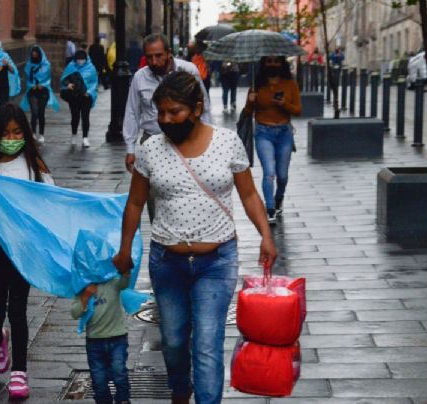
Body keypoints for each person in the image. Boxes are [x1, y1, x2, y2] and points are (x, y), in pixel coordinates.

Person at [113, 71, 277, 404]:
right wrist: (125, 248)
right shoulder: (151, 149)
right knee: (173, 340)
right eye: (161, 112)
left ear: (197, 108)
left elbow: (248, 195)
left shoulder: (227, 142)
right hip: (166, 261)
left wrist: (266, 235)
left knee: (206, 342)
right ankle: (179, 388)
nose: (166, 120)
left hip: (216, 261)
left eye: (174, 112)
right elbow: (135, 201)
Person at [0, 104, 53, 400]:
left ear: (25, 134)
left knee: (17, 310)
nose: (12, 137)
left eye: (17, 132)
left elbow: (48, 202)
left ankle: (19, 372)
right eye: (5, 133)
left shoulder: (34, 166)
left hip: (22, 250)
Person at [123, 33, 211, 174]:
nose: (154, 61)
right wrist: (130, 149)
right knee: (151, 187)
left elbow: (204, 107)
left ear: (169, 53)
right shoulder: (140, 77)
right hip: (151, 139)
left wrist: (206, 140)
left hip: (185, 139)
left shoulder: (188, 70)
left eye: (159, 56)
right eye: (149, 57)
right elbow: (132, 112)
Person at [243, 56, 301, 224]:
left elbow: (298, 110)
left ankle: (278, 198)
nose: (272, 64)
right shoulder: (256, 85)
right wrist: (249, 102)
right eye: (269, 61)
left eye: (276, 61)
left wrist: (284, 104)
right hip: (263, 133)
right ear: (263, 64)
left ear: (281, 63)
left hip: (284, 133)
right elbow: (247, 113)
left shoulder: (290, 84)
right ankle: (270, 209)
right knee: (269, 172)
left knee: (282, 176)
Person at [71, 276, 132, 404]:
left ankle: (123, 399)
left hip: (117, 338)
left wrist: (125, 261)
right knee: (98, 378)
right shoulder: (83, 288)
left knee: (119, 371)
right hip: (95, 341)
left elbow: (125, 280)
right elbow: (74, 313)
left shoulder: (113, 282)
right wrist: (86, 296)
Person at [20, 45, 59, 144]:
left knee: (41, 113)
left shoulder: (46, 65)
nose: (34, 55)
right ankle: (33, 133)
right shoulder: (29, 65)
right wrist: (31, 85)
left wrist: (43, 85)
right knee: (34, 112)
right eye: (33, 53)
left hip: (43, 92)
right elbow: (26, 79)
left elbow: (48, 78)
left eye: (36, 53)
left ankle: (41, 134)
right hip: (32, 92)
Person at [60, 49, 98, 148]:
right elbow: (64, 79)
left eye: (82, 59)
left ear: (86, 59)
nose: (80, 61)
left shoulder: (91, 68)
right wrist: (68, 85)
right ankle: (74, 134)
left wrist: (89, 92)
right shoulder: (71, 67)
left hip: (86, 97)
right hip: (74, 96)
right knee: (75, 116)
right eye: (78, 59)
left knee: (85, 117)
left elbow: (94, 82)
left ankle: (85, 138)